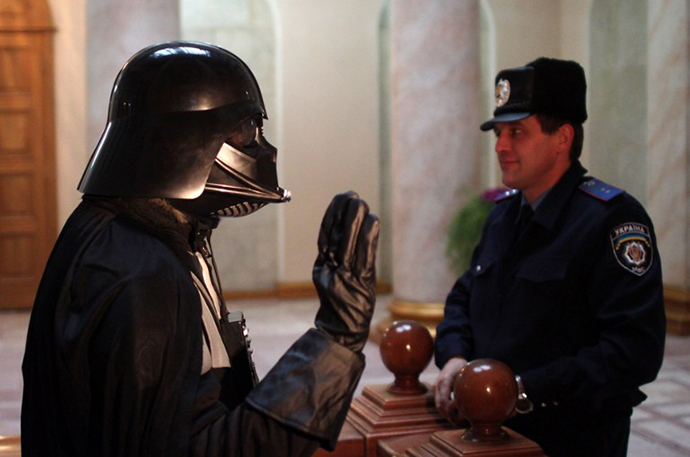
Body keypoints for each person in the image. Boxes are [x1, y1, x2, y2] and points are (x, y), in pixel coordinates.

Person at [21, 41, 380, 457]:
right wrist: (332, 345)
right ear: (180, 142)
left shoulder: (134, 231)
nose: (261, 149)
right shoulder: (141, 274)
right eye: (245, 130)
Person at [433, 57, 665, 457]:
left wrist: (522, 389)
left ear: (562, 138)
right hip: (490, 431)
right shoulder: (503, 216)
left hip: (568, 436)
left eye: (518, 132)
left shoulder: (610, 220)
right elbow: (464, 298)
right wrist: (454, 357)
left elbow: (633, 352)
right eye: (499, 133)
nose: (501, 146)